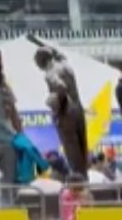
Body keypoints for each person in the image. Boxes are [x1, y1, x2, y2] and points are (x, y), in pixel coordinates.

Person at [35, 46, 89, 177]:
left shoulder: (50, 73)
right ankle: (84, 178)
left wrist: (53, 101)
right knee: (82, 149)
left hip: (66, 113)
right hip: (78, 109)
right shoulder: (65, 65)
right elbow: (62, 56)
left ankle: (78, 182)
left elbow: (61, 87)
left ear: (42, 62)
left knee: (72, 150)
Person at [0, 42, 22, 206]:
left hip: (8, 142)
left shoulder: (5, 86)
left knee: (8, 186)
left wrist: (22, 138)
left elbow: (14, 114)